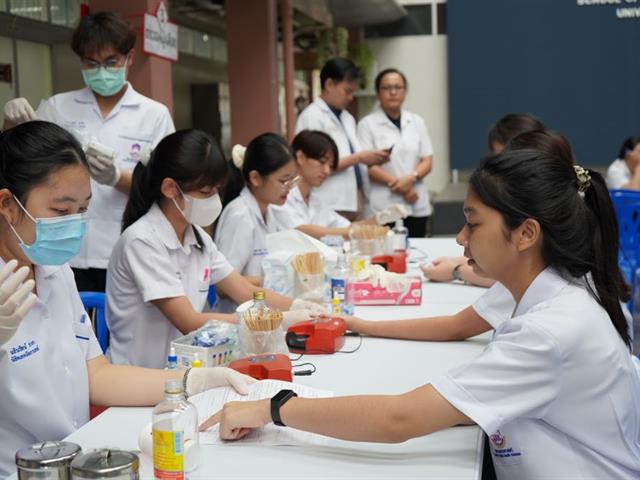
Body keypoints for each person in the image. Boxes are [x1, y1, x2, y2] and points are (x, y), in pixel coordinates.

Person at [202, 148, 640, 480]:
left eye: (473, 223)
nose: (461, 239)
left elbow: (398, 421)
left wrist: (274, 407)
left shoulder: (550, 330)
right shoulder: (559, 293)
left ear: (526, 233)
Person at [0, 121, 253, 477]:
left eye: (83, 210)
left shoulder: (55, 271)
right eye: (61, 211)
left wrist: (192, 382)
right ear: (8, 205)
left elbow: (98, 376)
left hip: (77, 454)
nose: (75, 224)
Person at [2, 12, 175, 292]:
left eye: (110, 62)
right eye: (91, 63)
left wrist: (116, 177)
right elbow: (17, 163)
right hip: (63, 251)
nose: (101, 71)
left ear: (129, 58)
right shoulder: (58, 107)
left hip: (128, 247)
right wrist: (9, 124)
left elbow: (165, 189)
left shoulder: (154, 115)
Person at [106, 130, 307, 369]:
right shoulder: (141, 241)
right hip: (139, 375)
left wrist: (298, 306)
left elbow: (242, 289)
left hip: (183, 369)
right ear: (170, 188)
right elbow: (189, 321)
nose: (213, 200)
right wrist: (275, 320)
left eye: (216, 191)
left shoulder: (198, 237)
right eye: (205, 192)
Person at [423, 113, 545, 286]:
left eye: (474, 224)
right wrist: (463, 261)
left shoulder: (541, 204)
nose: (461, 238)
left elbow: (518, 277)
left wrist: (456, 270)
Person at [295, 57, 390, 220]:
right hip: (330, 199)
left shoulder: (347, 117)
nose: (351, 97)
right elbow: (314, 164)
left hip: (355, 196)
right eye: (347, 91)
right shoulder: (311, 117)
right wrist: (359, 158)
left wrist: (369, 159)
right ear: (329, 84)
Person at [270, 130, 407, 239]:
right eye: (322, 162)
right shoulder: (281, 196)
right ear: (300, 157)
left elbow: (347, 227)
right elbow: (304, 231)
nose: (327, 171)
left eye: (330, 165)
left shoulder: (315, 200)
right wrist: (352, 233)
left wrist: (379, 219)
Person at [357, 68, 434, 238]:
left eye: (398, 87)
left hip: (416, 205)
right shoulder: (367, 125)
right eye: (386, 88)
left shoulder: (416, 122)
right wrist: (404, 189)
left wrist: (411, 178)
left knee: (417, 255)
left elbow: (427, 160)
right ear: (377, 92)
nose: (393, 92)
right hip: (384, 206)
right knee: (384, 258)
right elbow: (369, 167)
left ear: (405, 91)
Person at [216, 133, 299, 287]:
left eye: (292, 180)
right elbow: (223, 284)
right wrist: (277, 279)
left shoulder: (271, 211)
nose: (289, 188)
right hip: (243, 308)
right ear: (256, 178)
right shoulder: (240, 215)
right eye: (283, 180)